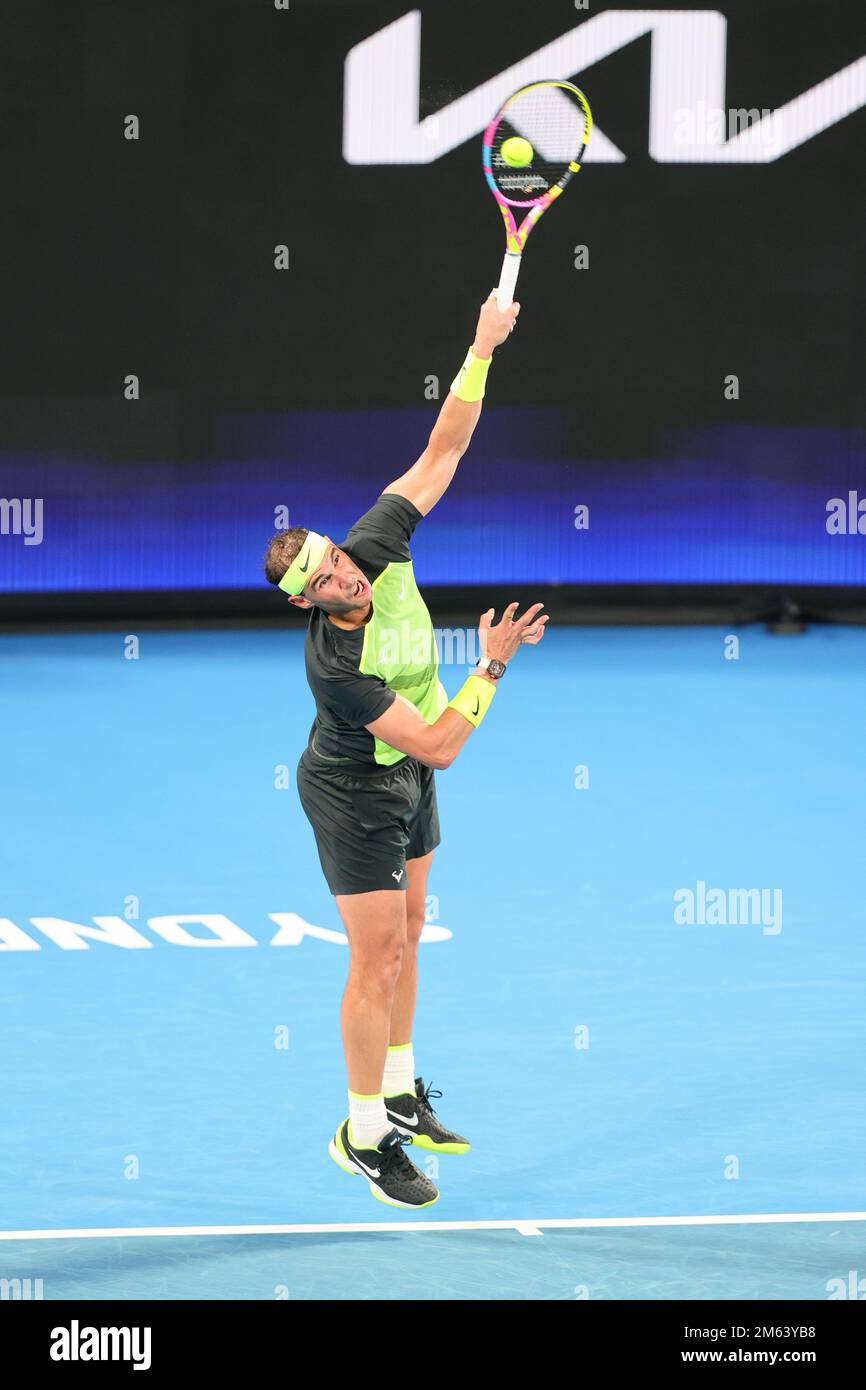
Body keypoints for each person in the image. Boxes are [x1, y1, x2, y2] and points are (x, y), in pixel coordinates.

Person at [264, 292, 548, 1208]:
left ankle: (399, 1089)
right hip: (353, 790)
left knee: (414, 931)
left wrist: (479, 347)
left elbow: (445, 450)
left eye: (337, 555)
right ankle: (362, 1132)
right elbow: (439, 742)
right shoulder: (335, 666)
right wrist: (491, 668)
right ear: (308, 602)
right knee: (375, 957)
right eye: (328, 576)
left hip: (410, 774)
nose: (346, 568)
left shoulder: (375, 542)